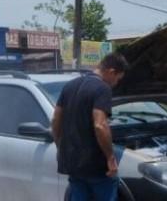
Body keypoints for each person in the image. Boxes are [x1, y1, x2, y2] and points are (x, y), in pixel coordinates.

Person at [51, 52, 129, 201]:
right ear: (111, 72)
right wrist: (110, 158)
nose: (116, 84)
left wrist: (60, 145)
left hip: (73, 163)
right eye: (118, 80)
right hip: (96, 166)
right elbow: (100, 125)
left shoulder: (69, 86)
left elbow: (55, 120)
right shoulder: (102, 88)